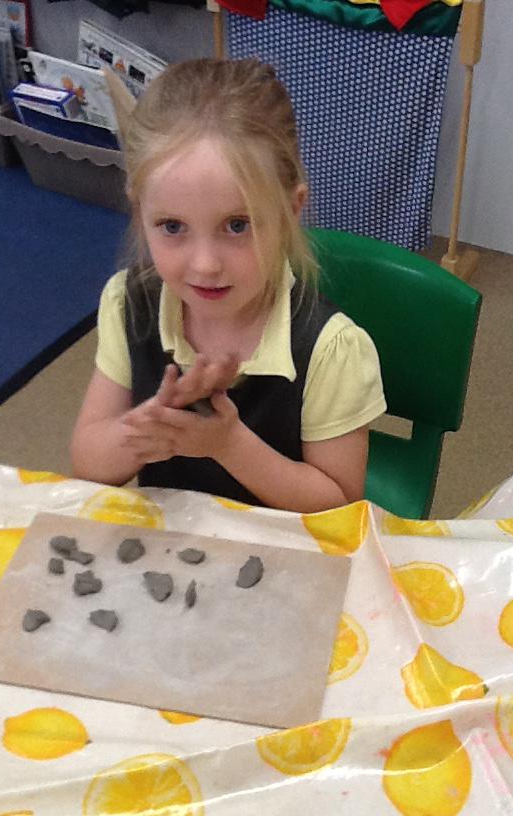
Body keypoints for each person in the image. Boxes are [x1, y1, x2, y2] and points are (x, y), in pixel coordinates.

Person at [71, 58, 386, 512]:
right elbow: (88, 463)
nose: (205, 266)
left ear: (291, 211)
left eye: (238, 225)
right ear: (140, 211)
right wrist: (154, 422)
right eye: (172, 226)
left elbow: (338, 507)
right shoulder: (128, 305)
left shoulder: (331, 349)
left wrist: (229, 444)